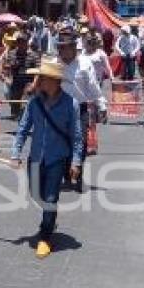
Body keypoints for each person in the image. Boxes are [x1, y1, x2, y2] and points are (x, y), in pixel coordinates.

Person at [10, 59, 83, 259]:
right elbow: (23, 128)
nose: (38, 81)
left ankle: (45, 235)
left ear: (54, 81)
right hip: (35, 158)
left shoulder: (71, 104)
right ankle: (49, 217)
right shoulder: (34, 102)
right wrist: (16, 153)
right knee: (36, 194)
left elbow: (77, 135)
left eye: (41, 78)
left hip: (56, 159)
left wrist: (76, 161)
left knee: (50, 198)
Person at [55, 27, 107, 191]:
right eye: (60, 46)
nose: (62, 49)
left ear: (73, 47)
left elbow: (93, 87)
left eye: (65, 46)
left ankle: (77, 174)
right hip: (59, 110)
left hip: (80, 109)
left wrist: (101, 105)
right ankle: (66, 174)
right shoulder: (54, 64)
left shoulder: (85, 63)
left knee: (81, 143)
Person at [0, 31, 39, 120]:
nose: (21, 44)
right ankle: (18, 115)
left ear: (27, 43)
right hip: (15, 82)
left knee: (25, 106)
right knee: (15, 106)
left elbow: (38, 72)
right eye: (19, 42)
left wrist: (33, 84)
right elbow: (6, 67)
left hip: (28, 83)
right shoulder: (12, 53)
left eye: (23, 42)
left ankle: (23, 124)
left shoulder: (33, 55)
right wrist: (6, 72)